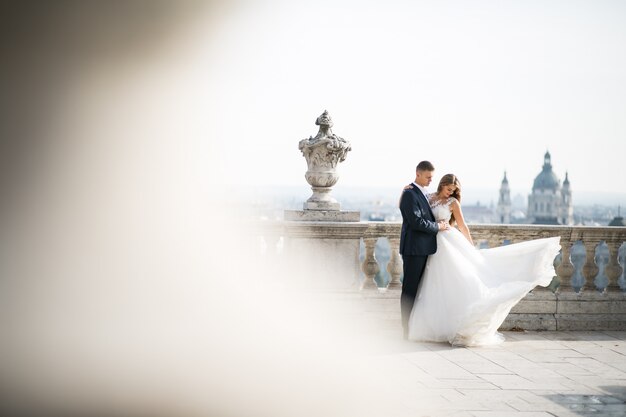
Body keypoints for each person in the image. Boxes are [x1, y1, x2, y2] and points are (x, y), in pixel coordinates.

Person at [406, 174, 561, 346]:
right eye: (449, 189)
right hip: (432, 242)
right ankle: (433, 325)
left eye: (454, 191)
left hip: (448, 241)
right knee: (433, 284)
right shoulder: (428, 197)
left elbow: (462, 225)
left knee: (455, 281)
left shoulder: (453, 203)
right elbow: (412, 202)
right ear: (441, 185)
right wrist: (407, 189)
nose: (451, 193)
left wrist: (471, 248)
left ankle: (456, 326)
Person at [399, 161, 450, 340]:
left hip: (424, 248)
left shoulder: (424, 193)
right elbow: (416, 222)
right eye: (428, 177)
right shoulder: (409, 194)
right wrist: (438, 226)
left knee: (420, 289)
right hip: (414, 249)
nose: (430, 180)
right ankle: (406, 330)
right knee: (410, 289)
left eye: (432, 177)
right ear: (418, 174)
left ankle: (415, 326)